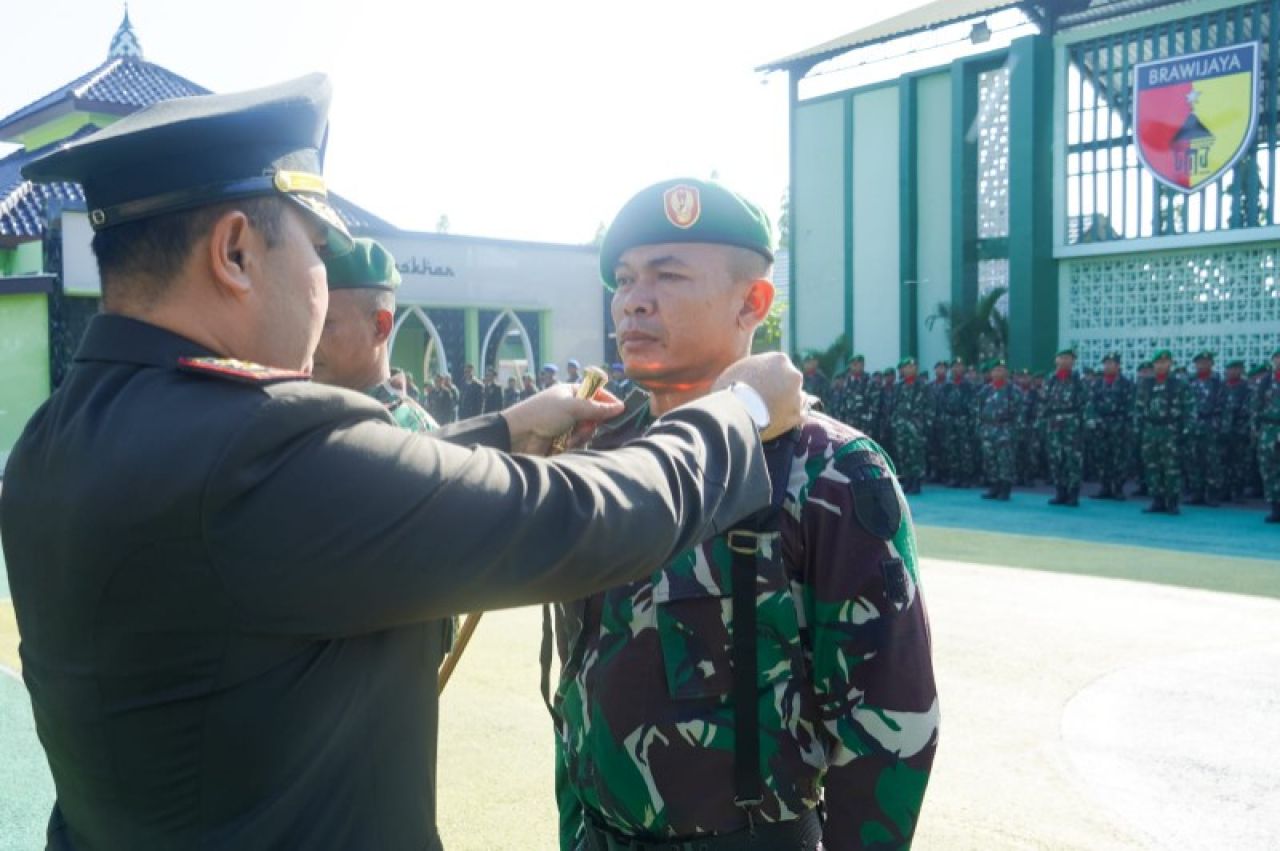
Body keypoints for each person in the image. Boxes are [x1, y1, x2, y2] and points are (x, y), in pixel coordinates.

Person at [0, 77, 806, 851]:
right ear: (236, 251)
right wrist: (733, 413)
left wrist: (499, 431)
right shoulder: (251, 445)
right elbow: (577, 518)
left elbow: (297, 520)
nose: (322, 284)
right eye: (317, 250)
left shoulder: (56, 438)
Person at [549, 177, 937, 851]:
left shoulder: (826, 470)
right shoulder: (598, 450)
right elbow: (577, 677)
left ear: (752, 302)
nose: (634, 299)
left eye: (668, 275)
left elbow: (890, 727)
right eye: (625, 277)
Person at [314, 238, 438, 432]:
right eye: (309, 322)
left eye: (325, 324)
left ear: (380, 327)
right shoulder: (313, 420)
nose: (310, 338)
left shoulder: (414, 435)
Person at [1136, 349, 1189, 515]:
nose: (1161, 366)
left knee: (1171, 468)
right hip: (1150, 430)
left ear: (1170, 364)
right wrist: (1138, 429)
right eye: (1158, 363)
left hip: (1170, 430)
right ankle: (1157, 500)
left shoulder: (1179, 384)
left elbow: (1189, 408)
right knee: (1152, 466)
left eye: (1165, 362)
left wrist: (1186, 430)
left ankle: (1172, 502)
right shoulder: (1146, 384)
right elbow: (1138, 408)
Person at [1039, 348, 1088, 507]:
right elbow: (1043, 402)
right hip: (1053, 424)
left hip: (1072, 425)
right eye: (1063, 358)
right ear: (1056, 360)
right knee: (1056, 459)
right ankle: (1060, 492)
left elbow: (1086, 404)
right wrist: (1042, 423)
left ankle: (1073, 494)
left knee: (1073, 460)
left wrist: (1083, 424)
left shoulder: (1079, 380)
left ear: (1073, 362)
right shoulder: (1050, 380)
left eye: (1069, 358)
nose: (1066, 361)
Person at [1087, 353, 1133, 500]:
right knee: (1101, 457)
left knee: (1119, 458)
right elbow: (1091, 404)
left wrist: (1126, 424)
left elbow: (1131, 406)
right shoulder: (1097, 384)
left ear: (1118, 366)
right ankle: (1105, 487)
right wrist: (1092, 419)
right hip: (1101, 425)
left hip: (1119, 425)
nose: (1108, 366)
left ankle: (1118, 488)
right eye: (1106, 363)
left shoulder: (1126, 384)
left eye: (1112, 363)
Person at [975, 359, 1020, 500]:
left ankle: (1005, 489)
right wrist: (980, 429)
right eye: (995, 370)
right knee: (990, 460)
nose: (998, 372)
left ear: (1006, 372)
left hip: (1005, 429)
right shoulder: (985, 390)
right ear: (991, 373)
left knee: (1005, 460)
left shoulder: (1013, 390)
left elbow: (1019, 413)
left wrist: (1015, 431)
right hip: (988, 429)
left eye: (1001, 369)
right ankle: (994, 487)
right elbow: (978, 410)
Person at [1185, 351, 1226, 506]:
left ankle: (1212, 494)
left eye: (1206, 362)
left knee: (1212, 461)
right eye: (1199, 362)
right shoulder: (1189, 381)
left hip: (1211, 423)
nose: (1202, 365)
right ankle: (1196, 492)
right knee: (1193, 460)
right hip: (1192, 425)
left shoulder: (1217, 382)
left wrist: (1221, 426)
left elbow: (1224, 406)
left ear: (1211, 363)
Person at [889, 356, 931, 495]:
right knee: (904, 453)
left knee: (916, 454)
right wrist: (895, 422)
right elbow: (893, 406)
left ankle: (916, 482)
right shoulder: (899, 386)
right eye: (906, 367)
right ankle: (907, 481)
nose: (909, 369)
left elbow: (930, 408)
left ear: (916, 369)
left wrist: (925, 425)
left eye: (912, 367)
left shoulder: (923, 386)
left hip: (916, 425)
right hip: (901, 425)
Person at [941, 358, 976, 487]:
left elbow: (974, 406)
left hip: (964, 420)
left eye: (960, 366)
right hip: (950, 420)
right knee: (952, 450)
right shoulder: (947, 386)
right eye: (955, 366)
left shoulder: (969, 385)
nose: (957, 369)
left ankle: (966, 477)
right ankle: (955, 475)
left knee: (965, 450)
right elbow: (942, 404)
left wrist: (972, 423)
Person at [1221, 359, 1252, 503]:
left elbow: (1249, 409)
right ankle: (1225, 491)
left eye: (1236, 369)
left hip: (1240, 430)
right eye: (1230, 368)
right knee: (1223, 461)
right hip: (1222, 429)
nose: (1233, 372)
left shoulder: (1247, 388)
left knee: (1239, 462)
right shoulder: (1222, 387)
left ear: (1241, 370)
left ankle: (1238, 492)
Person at [1255, 348, 1280, 523]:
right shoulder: (1264, 382)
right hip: (1269, 431)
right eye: (1278, 358)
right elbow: (1255, 407)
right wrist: (1255, 429)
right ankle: (1275, 507)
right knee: (1269, 470)